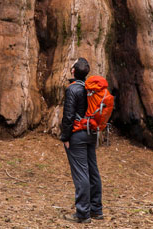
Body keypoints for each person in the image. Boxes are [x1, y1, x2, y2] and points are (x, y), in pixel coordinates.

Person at [60, 58, 103, 223]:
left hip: (77, 135)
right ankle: (96, 210)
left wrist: (65, 137)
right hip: (91, 133)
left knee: (81, 173)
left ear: (73, 71)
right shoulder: (89, 89)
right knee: (93, 171)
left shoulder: (73, 89)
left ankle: (83, 214)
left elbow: (68, 116)